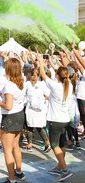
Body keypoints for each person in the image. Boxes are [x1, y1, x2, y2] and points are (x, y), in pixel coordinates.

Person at [38, 54, 73, 182]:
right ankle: (60, 166)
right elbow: (61, 72)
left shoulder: (56, 86)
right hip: (64, 120)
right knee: (61, 144)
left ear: (57, 75)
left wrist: (41, 62)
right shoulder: (69, 86)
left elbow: (43, 74)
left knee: (54, 145)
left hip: (56, 121)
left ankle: (65, 170)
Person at [0, 58, 26, 183]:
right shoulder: (21, 83)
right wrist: (2, 94)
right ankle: (19, 172)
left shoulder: (9, 85)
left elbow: (8, 106)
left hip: (10, 117)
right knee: (16, 146)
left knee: (7, 149)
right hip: (19, 115)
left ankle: (12, 179)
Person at [25, 67, 51, 152]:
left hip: (30, 109)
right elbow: (48, 95)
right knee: (40, 127)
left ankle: (29, 144)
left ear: (30, 74)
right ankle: (46, 142)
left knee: (29, 126)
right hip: (40, 110)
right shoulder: (43, 84)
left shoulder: (27, 84)